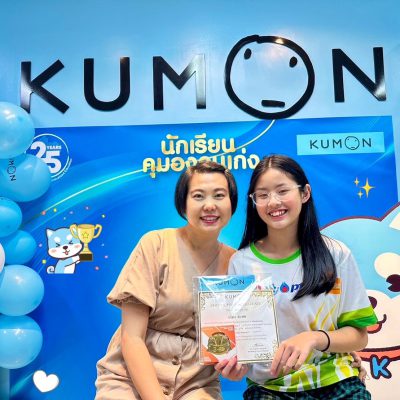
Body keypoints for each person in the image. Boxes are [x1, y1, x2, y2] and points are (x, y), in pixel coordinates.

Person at [216, 155, 377, 399]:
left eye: (282, 191)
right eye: (262, 195)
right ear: (253, 202)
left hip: (335, 379)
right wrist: (236, 366)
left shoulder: (336, 254)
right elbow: (243, 343)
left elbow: (359, 337)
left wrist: (314, 338)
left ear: (305, 193)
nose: (273, 202)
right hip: (271, 387)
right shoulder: (241, 263)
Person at [95, 160, 238, 400]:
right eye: (198, 196)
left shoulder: (236, 262)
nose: (210, 205)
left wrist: (235, 368)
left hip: (196, 383)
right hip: (130, 377)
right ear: (183, 203)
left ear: (231, 203)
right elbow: (132, 337)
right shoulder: (155, 244)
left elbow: (228, 348)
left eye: (219, 195)